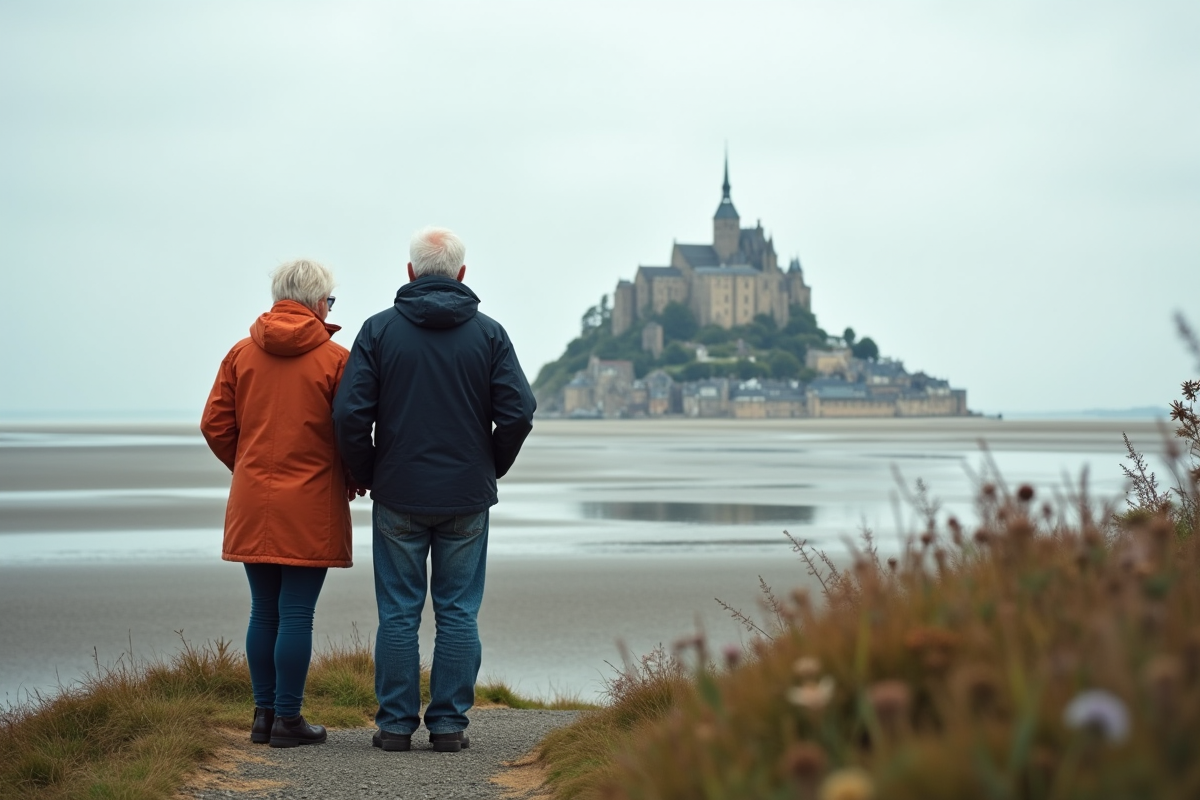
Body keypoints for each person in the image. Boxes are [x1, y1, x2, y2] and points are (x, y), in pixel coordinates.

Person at [333, 227, 536, 753]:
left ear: (410, 273)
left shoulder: (378, 331)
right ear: (462, 275)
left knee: (399, 612)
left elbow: (350, 414)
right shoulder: (489, 334)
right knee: (458, 611)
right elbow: (519, 412)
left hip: (398, 491)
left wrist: (368, 471)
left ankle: (396, 726)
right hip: (467, 494)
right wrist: (491, 465)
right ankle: (448, 726)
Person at [201, 259, 363, 748]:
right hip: (312, 500)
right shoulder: (337, 359)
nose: (330, 308)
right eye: (330, 301)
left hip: (254, 499)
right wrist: (352, 476)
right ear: (317, 303)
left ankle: (262, 716)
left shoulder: (240, 354)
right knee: (296, 614)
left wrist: (247, 466)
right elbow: (350, 428)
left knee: (263, 611)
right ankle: (288, 720)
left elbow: (215, 425)